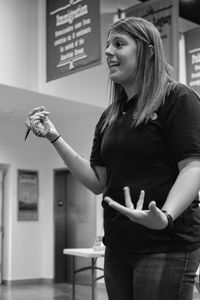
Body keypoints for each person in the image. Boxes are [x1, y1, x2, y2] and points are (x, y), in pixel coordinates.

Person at [28, 17, 200, 300]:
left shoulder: (177, 98)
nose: (108, 52)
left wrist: (166, 216)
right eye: (107, 45)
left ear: (148, 51)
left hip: (166, 245)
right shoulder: (109, 117)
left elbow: (192, 167)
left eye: (119, 44)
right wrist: (54, 137)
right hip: (119, 245)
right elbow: (98, 181)